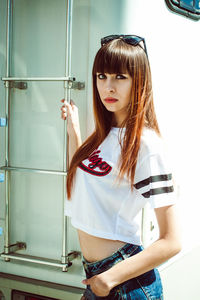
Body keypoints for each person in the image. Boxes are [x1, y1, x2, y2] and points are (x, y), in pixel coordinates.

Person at [60, 34, 181, 300]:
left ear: (139, 81)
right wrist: (74, 133)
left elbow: (172, 241)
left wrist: (109, 278)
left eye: (120, 77)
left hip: (124, 282)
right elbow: (80, 184)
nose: (108, 87)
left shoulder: (146, 144)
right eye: (101, 76)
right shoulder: (103, 136)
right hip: (98, 277)